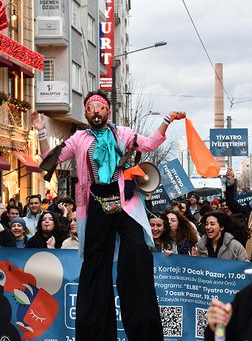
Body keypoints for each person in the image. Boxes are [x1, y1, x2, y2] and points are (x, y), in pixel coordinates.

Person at [32, 90, 185, 340]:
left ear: (107, 111)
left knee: (136, 252)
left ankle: (144, 329)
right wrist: (40, 131)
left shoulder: (122, 133)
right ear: (86, 112)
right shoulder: (79, 138)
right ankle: (96, 334)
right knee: (95, 265)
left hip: (124, 202)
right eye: (91, 108)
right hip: (94, 202)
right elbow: (53, 159)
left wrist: (166, 121)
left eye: (100, 107)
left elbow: (148, 144)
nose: (95, 111)